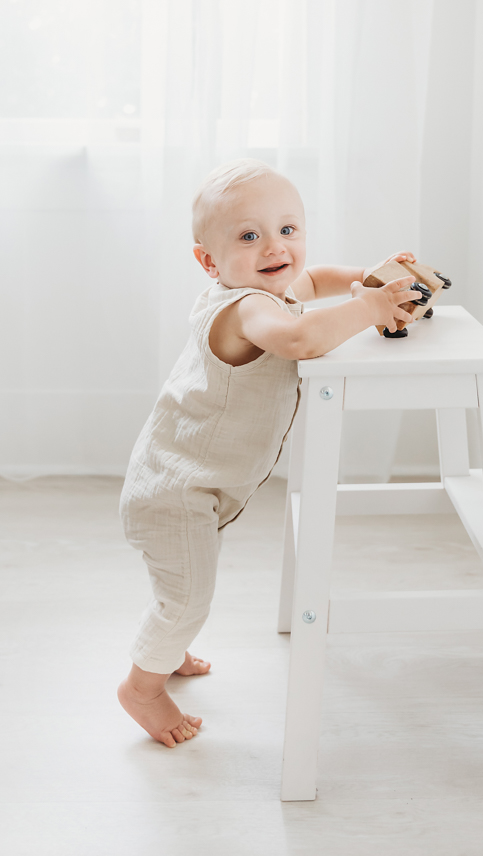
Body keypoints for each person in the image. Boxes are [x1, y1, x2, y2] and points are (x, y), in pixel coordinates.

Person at [117, 158, 420, 747]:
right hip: (177, 492)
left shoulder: (271, 288)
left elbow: (321, 279)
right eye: (248, 236)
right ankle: (141, 688)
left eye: (288, 230)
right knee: (187, 598)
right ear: (210, 261)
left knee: (182, 589)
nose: (274, 247)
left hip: (194, 483)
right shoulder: (248, 308)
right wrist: (370, 310)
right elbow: (301, 338)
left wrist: (368, 278)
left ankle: (169, 646)